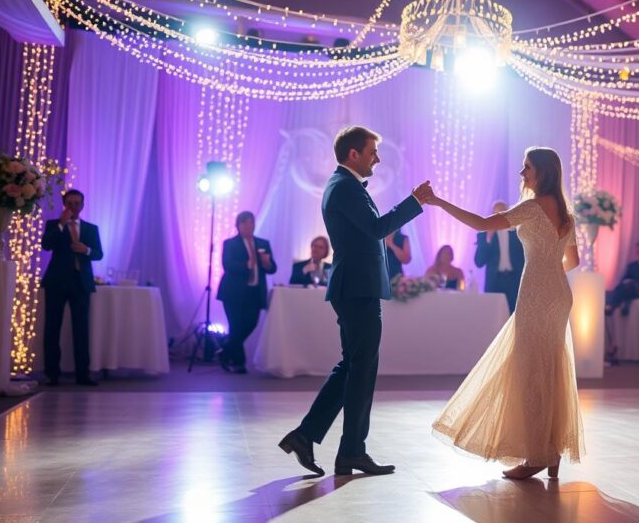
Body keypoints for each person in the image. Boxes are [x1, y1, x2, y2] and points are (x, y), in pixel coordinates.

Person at [279, 125, 432, 478]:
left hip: (354, 288)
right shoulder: (344, 187)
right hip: (357, 289)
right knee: (361, 370)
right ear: (354, 154)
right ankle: (351, 452)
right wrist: (415, 202)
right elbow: (377, 228)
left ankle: (306, 436)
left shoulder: (343, 185)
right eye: (372, 152)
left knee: (351, 367)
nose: (376, 158)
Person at [429, 146, 584, 480]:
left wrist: (439, 202)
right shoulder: (565, 213)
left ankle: (535, 457)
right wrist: (547, 263)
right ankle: (550, 455)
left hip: (536, 293)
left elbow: (482, 223)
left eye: (526, 167)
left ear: (542, 171)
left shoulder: (531, 207)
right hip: (559, 293)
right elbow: (574, 262)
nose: (521, 173)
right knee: (551, 367)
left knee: (531, 371)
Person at [40, 189, 103, 387]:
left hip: (81, 283)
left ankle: (82, 374)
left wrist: (86, 250)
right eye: (70, 203)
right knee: (52, 328)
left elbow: (99, 254)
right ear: (64, 204)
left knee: (82, 329)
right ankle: (52, 374)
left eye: (77, 203)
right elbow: (46, 245)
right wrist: (61, 223)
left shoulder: (91, 229)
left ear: (83, 205)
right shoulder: (53, 225)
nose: (73, 207)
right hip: (57, 283)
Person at [217, 211, 277, 374]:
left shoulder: (263, 243)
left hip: (255, 292)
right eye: (245, 223)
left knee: (251, 323)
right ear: (238, 225)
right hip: (233, 292)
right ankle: (239, 363)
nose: (249, 225)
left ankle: (226, 350)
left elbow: (273, 268)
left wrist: (267, 264)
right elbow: (227, 265)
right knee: (235, 326)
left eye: (251, 222)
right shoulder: (230, 244)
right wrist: (246, 265)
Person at [474, 200, 524, 312]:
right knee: (493, 316)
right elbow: (479, 262)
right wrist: (488, 239)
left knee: (514, 315)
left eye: (503, 213)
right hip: (494, 281)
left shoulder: (517, 232)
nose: (500, 217)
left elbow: (525, 256)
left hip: (514, 280)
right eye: (497, 214)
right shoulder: (484, 233)